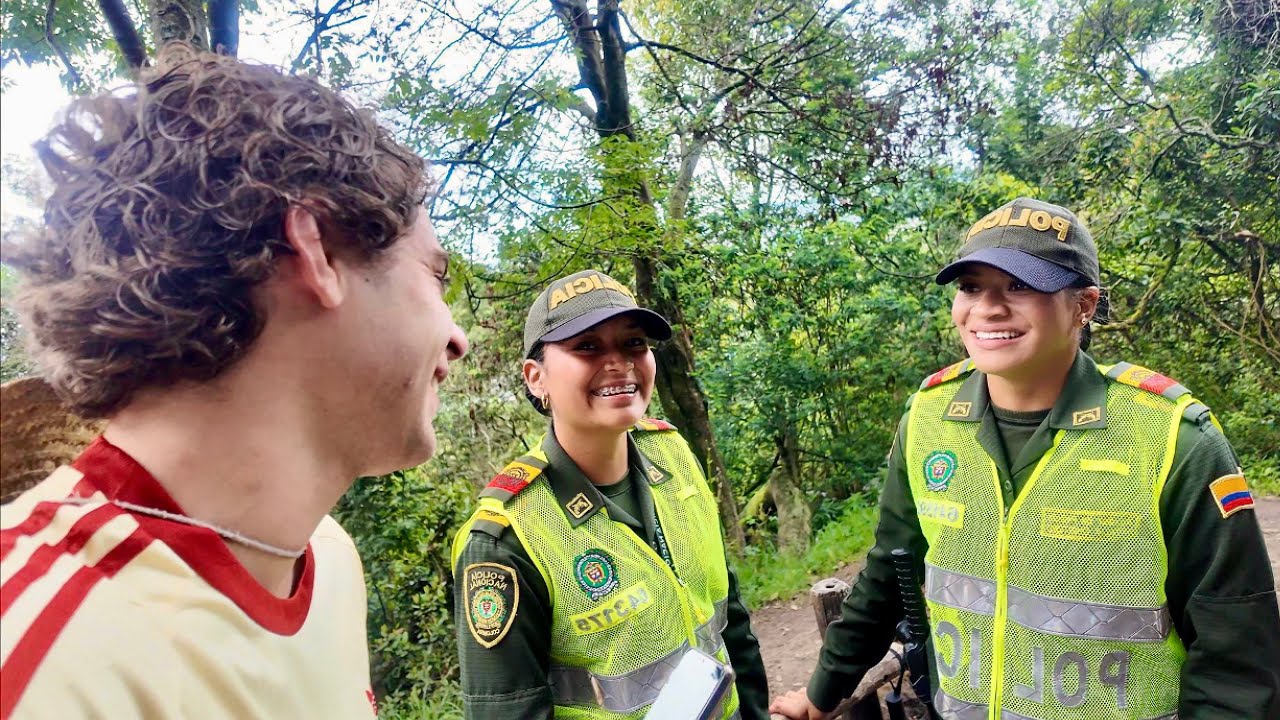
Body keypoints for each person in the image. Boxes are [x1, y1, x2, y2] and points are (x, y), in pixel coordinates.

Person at [0, 44, 468, 719]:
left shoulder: (325, 558)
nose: (457, 334)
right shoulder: (34, 662)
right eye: (433, 274)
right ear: (319, 251)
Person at [771, 198, 1280, 720]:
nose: (988, 308)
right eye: (971, 287)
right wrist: (823, 690)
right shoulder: (929, 416)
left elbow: (1234, 655)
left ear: (1083, 305)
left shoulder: (1172, 438)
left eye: (1020, 286)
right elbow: (887, 569)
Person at [450, 269, 769, 719]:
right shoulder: (507, 540)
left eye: (633, 343)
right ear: (535, 378)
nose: (618, 362)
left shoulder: (672, 453)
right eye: (586, 346)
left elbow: (730, 619)